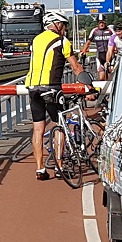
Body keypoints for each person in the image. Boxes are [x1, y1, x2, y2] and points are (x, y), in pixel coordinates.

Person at [26, 13, 86, 180]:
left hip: (32, 87)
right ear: (57, 24)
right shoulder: (62, 41)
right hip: (51, 87)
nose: (65, 28)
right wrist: (87, 85)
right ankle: (59, 167)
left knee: (38, 129)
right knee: (61, 124)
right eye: (64, 25)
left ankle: (40, 168)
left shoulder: (36, 40)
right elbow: (75, 66)